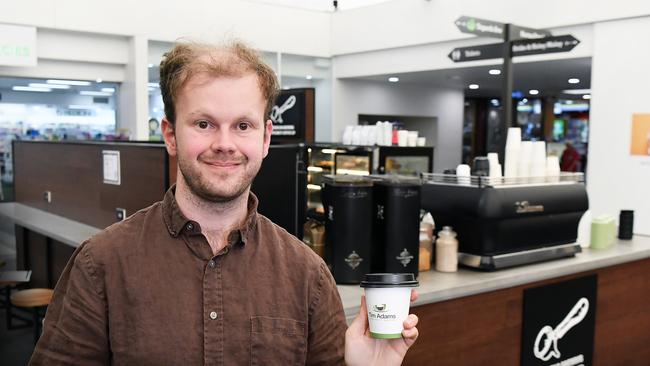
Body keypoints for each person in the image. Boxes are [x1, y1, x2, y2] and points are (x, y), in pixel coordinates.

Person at [29, 40, 418, 365]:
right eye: (204, 124)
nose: (225, 144)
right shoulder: (102, 265)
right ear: (170, 134)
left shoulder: (308, 275)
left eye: (242, 126)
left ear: (266, 138)